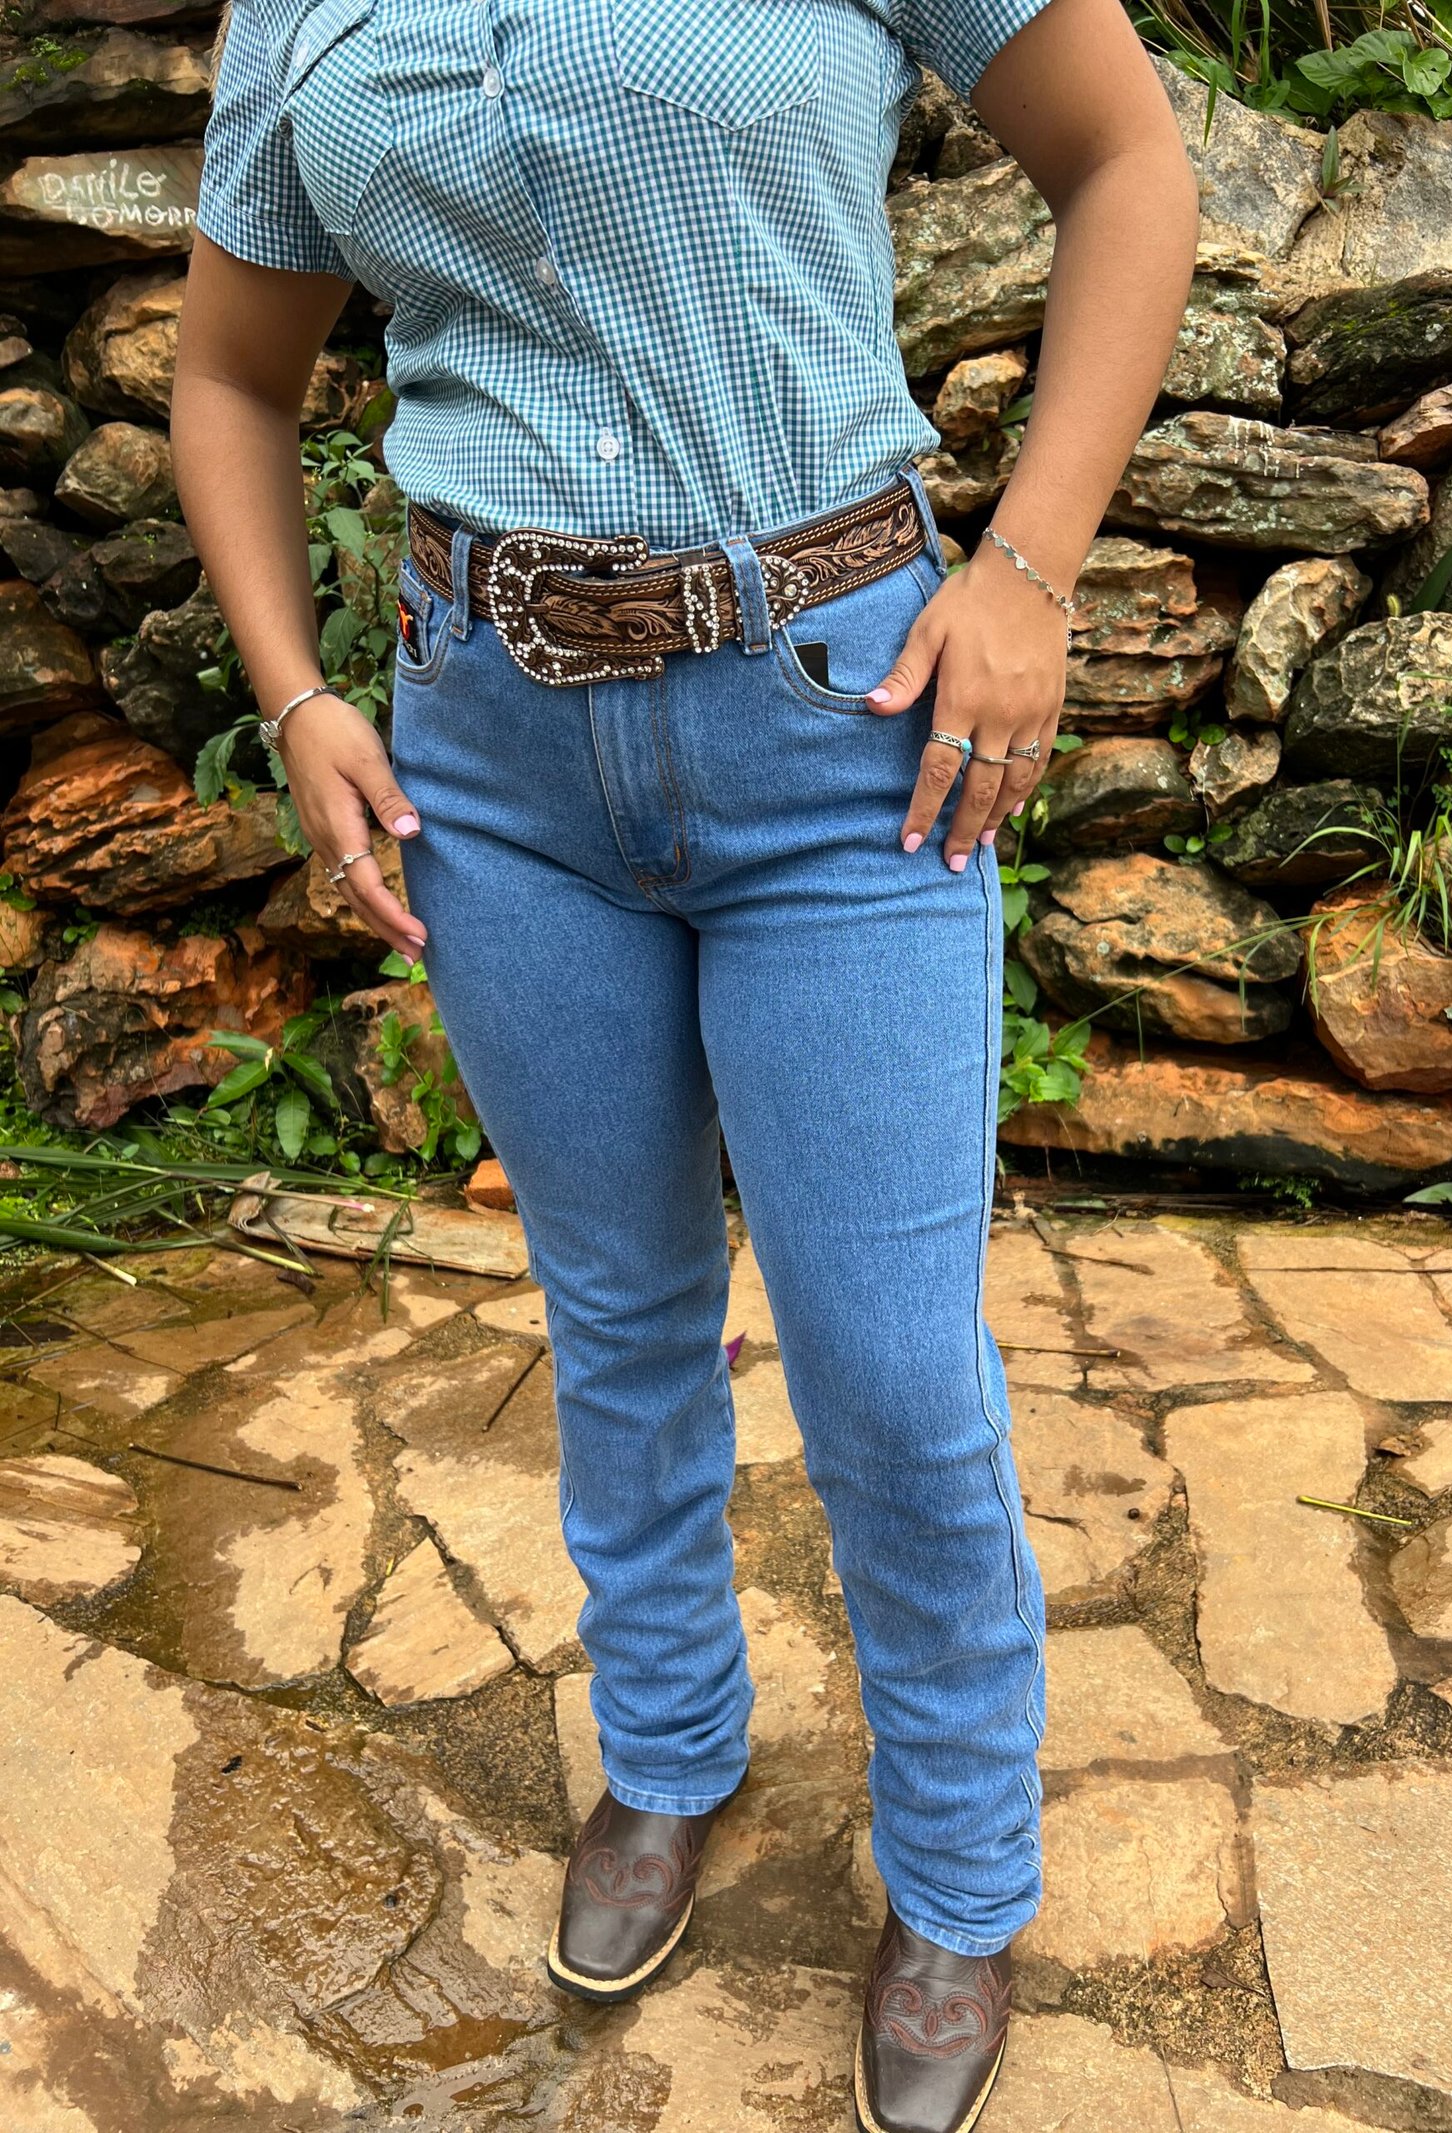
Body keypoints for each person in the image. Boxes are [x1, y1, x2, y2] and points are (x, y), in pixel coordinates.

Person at [171, 2, 1197, 2124]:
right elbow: (230, 372)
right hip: (492, 755)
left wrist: (1025, 565)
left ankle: (957, 1874)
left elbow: (1128, 164)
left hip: (845, 734)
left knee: (888, 1363)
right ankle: (664, 1750)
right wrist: (291, 693)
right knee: (618, 1305)